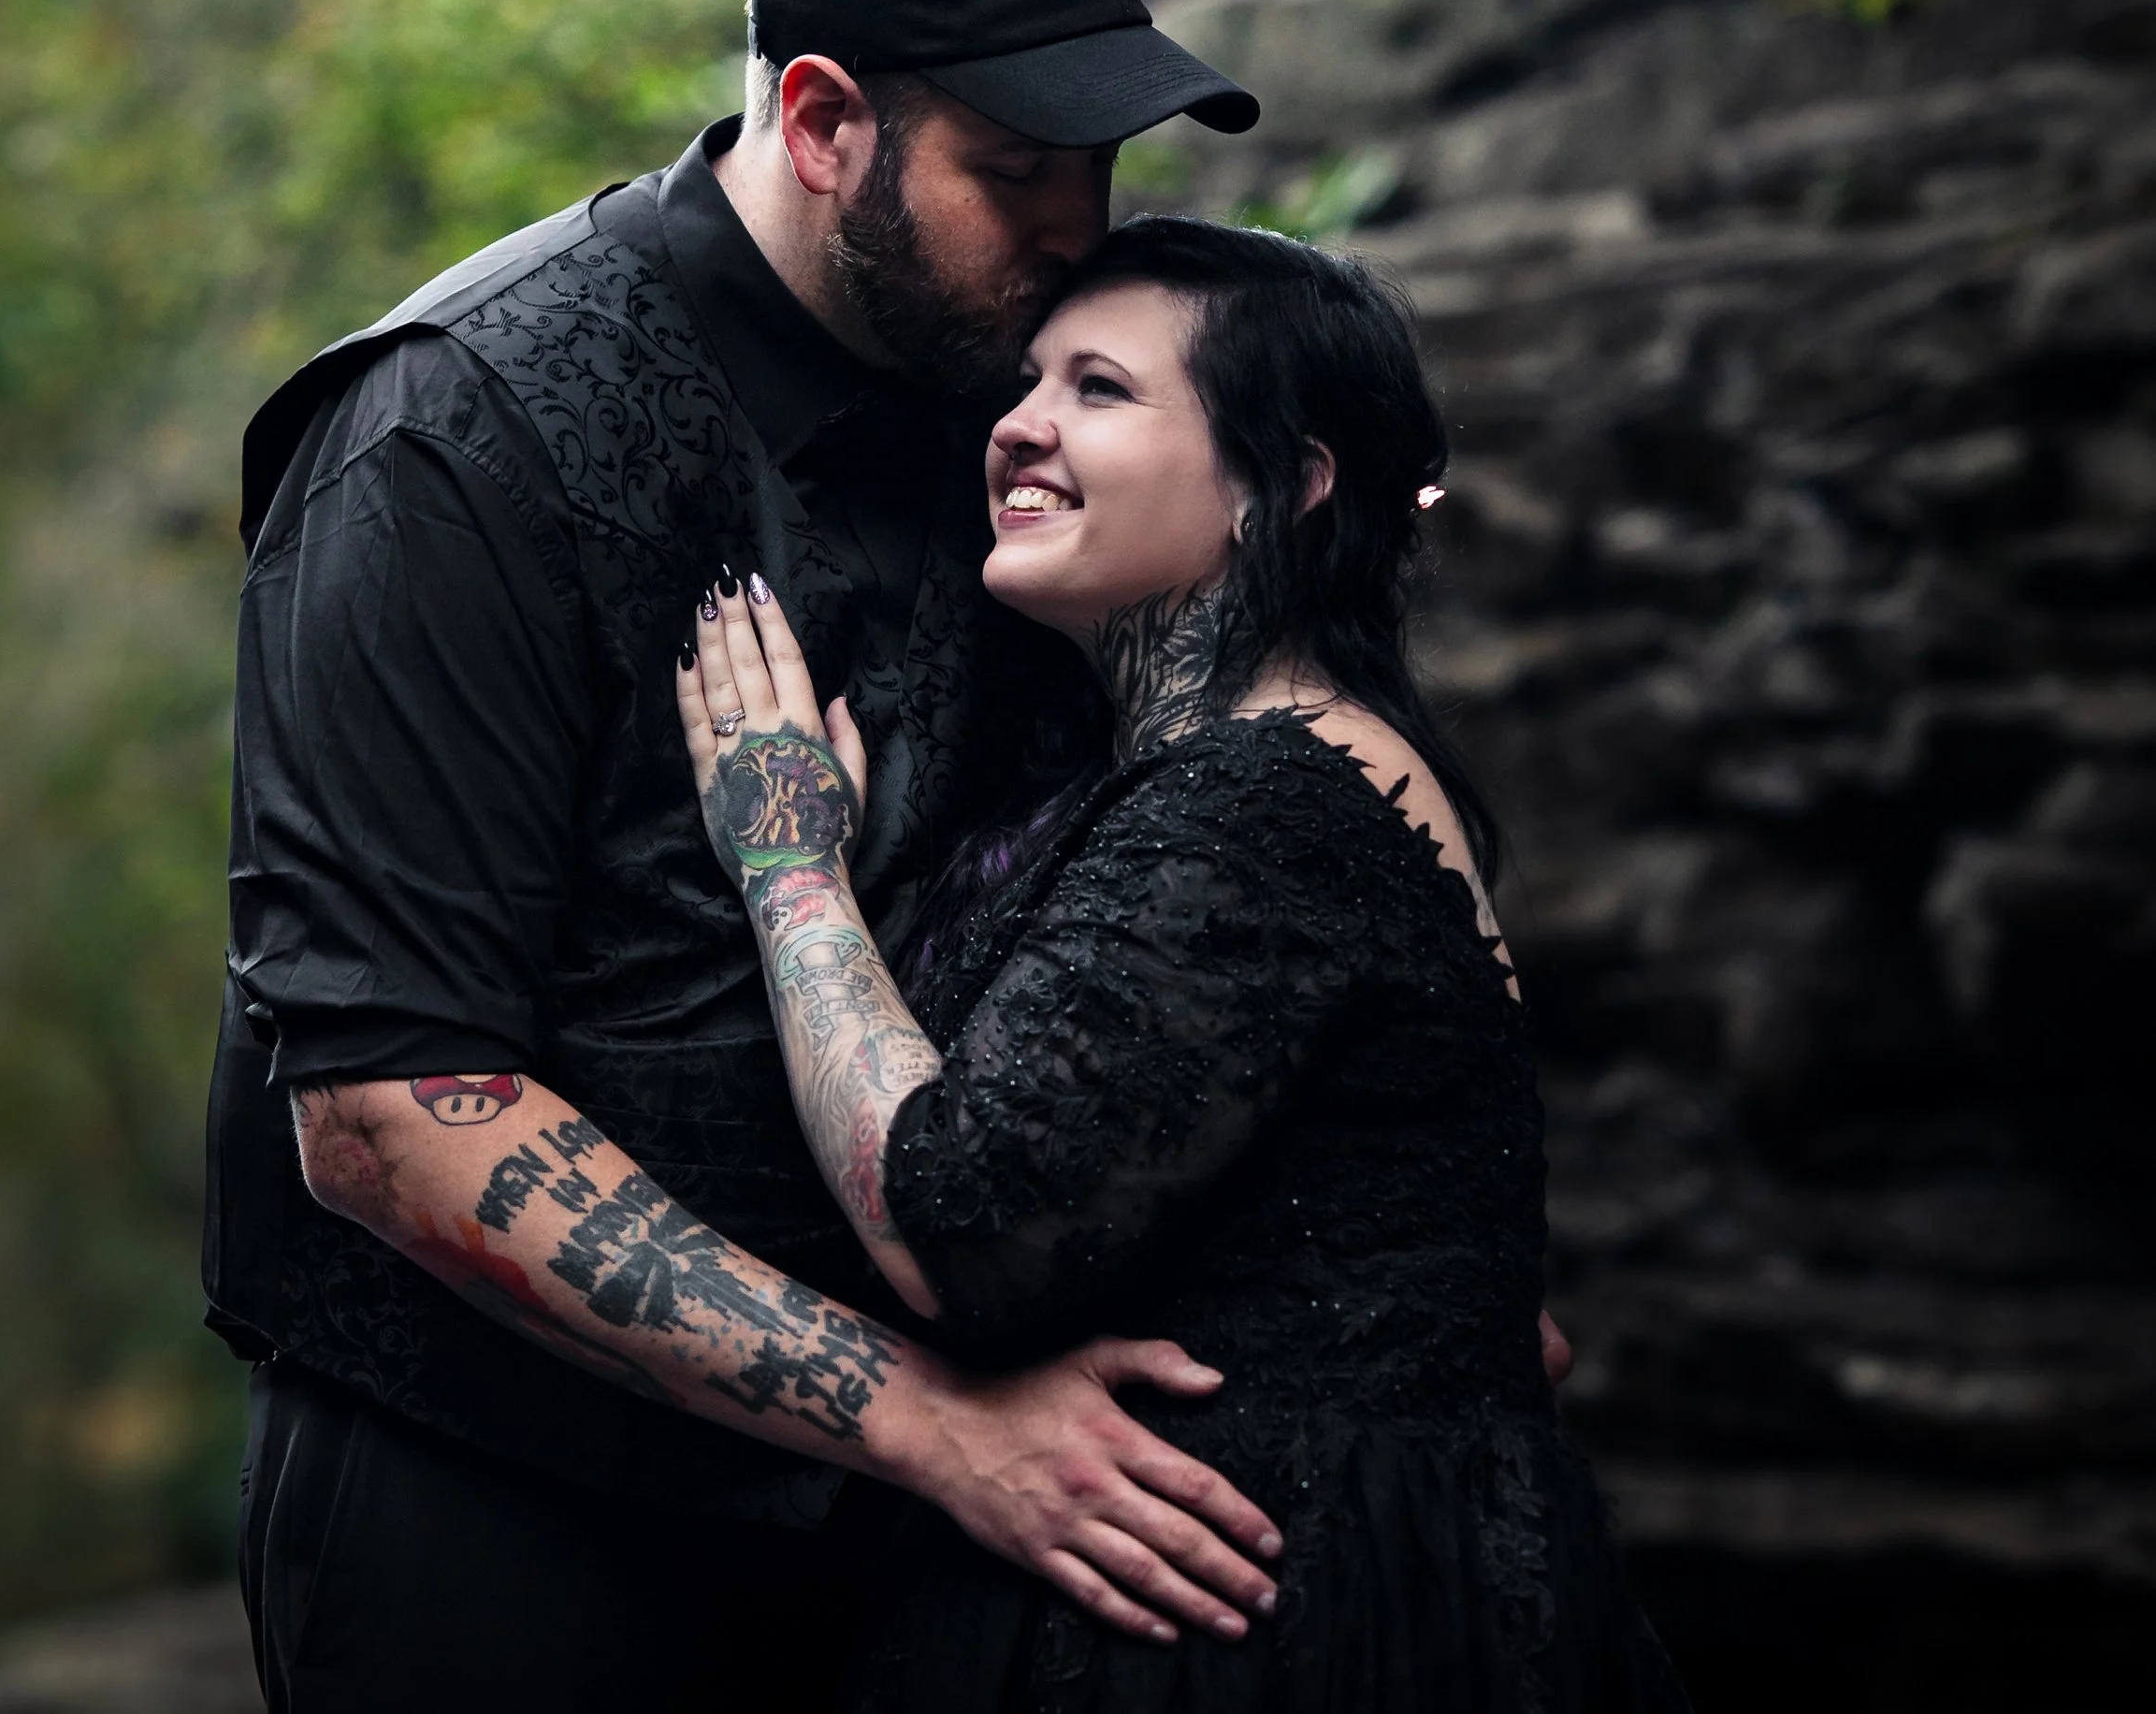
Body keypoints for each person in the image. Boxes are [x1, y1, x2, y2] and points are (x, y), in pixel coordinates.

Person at [205, 0, 1291, 1713]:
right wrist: (937, 1425)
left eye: (1098, 170)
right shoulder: (455, 437)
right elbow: (387, 1110)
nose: (1075, 229)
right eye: (1014, 172)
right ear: (817, 120)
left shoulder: (1021, 402)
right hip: (504, 1520)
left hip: (917, 1541)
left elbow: (1201, 831)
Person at [675, 219, 1687, 1710]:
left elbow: (956, 1221)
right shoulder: (1213, 782)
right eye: (1027, 383)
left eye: (1099, 388)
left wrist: (785, 856)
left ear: (1285, 487)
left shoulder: (1274, 797)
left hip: (1273, 1625)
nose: (1017, 424)